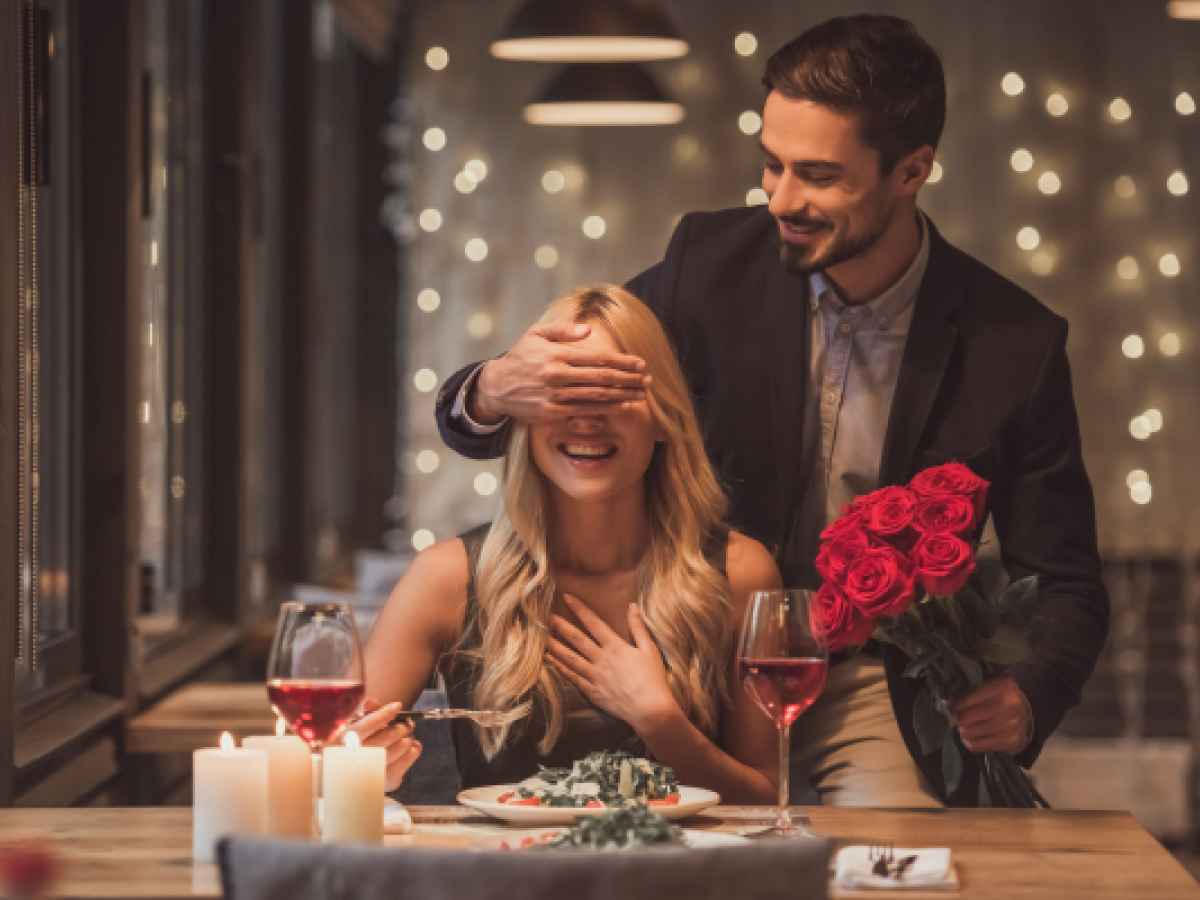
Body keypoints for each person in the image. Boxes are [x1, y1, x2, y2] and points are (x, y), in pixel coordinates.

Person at [433, 15, 1109, 807]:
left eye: (819, 176)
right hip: (695, 665)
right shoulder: (704, 266)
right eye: (771, 165)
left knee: (881, 872)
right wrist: (488, 392)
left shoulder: (1016, 346)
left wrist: (1031, 691)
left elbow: (1067, 581)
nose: (780, 199)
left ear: (912, 170)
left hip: (869, 690)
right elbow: (572, 414)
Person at [351, 285, 782, 803]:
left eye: (611, 392)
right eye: (562, 393)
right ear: (523, 417)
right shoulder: (445, 578)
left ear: (664, 418)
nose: (585, 418)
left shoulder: (742, 573)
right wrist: (365, 764)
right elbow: (341, 759)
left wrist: (660, 723)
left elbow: (765, 802)